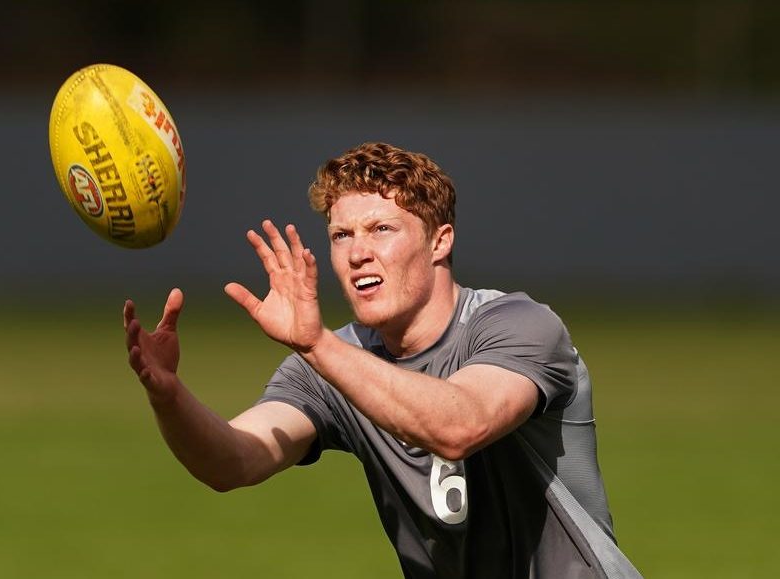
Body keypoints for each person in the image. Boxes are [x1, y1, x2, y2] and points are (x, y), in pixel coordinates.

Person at [123, 142, 641, 578]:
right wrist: (168, 396)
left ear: (439, 241)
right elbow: (232, 461)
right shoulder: (331, 362)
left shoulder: (519, 326)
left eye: (381, 230)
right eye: (341, 236)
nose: (357, 254)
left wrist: (317, 346)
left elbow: (459, 426)